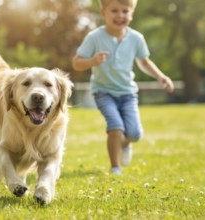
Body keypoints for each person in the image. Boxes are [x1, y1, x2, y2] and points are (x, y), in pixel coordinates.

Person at [72, 0, 174, 175]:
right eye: (114, 11)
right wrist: (92, 61)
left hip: (127, 93)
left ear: (132, 14)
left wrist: (161, 76)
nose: (120, 15)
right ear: (103, 13)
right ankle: (115, 167)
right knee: (115, 126)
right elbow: (76, 63)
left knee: (134, 134)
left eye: (125, 11)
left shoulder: (136, 38)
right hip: (103, 92)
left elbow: (144, 62)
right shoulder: (94, 37)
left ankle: (125, 144)